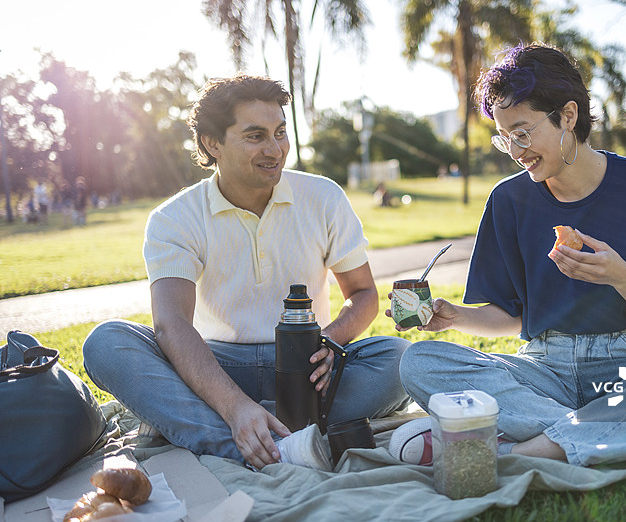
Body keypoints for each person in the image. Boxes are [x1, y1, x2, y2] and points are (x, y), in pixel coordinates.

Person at [389, 43, 626, 490]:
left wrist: (620, 276)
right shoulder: (508, 201)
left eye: (523, 133)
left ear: (568, 115)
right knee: (421, 362)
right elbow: (514, 318)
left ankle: (527, 451)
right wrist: (460, 318)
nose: (513, 150)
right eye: (503, 137)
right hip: (543, 373)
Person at [83, 74, 411, 471]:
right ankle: (271, 440)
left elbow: (363, 295)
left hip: (307, 370)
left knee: (398, 357)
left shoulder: (324, 197)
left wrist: (329, 340)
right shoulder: (174, 218)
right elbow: (171, 325)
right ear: (212, 143)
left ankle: (216, 427)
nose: (275, 150)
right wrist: (235, 406)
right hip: (214, 367)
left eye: (280, 133)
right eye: (255, 136)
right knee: (106, 342)